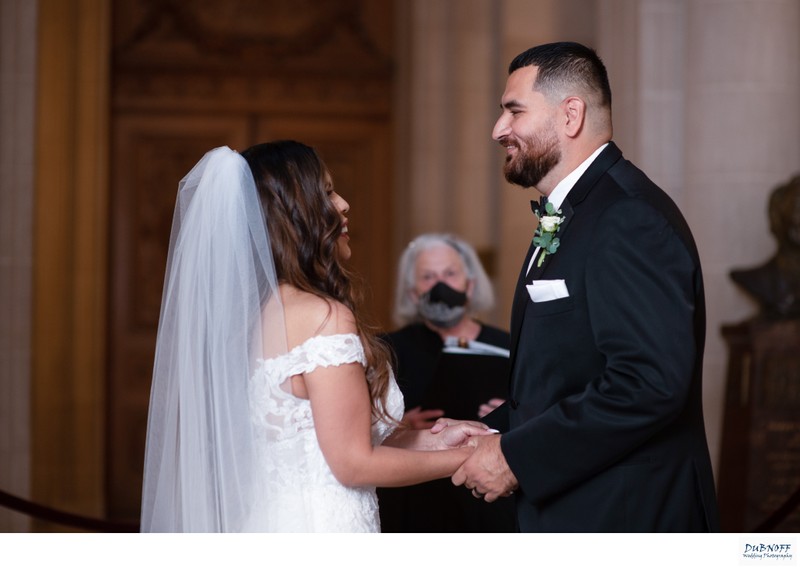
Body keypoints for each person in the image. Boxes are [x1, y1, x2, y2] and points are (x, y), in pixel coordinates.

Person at [139, 141, 492, 532]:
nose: (342, 204)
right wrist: (475, 455)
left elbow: (326, 443)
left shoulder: (252, 320)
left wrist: (440, 441)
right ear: (292, 213)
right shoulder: (323, 317)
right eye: (325, 192)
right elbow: (353, 463)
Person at [447, 41, 721, 532]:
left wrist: (515, 458)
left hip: (628, 519)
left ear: (570, 115)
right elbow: (569, 375)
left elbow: (648, 384)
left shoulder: (628, 217)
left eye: (514, 111)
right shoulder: (577, 213)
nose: (498, 130)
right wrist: (491, 433)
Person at [377, 233, 517, 532]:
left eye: (450, 274)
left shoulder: (509, 345)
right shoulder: (385, 350)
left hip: (488, 497)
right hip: (414, 497)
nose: (440, 285)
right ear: (413, 292)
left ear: (470, 283)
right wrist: (399, 426)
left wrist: (510, 413)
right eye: (428, 277)